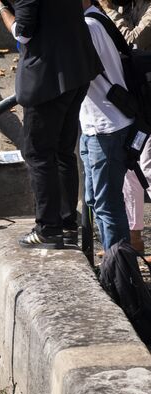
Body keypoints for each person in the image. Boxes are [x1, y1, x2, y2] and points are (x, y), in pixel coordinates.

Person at [0, 0, 103, 249]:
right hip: (75, 71)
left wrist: (1, 9)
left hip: (47, 79)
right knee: (62, 150)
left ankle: (48, 228)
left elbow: (23, 33)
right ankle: (67, 224)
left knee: (38, 153)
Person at [98, 0, 151, 254]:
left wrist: (107, 9)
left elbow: (133, 42)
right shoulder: (126, 6)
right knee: (130, 167)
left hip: (147, 98)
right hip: (134, 98)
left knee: (149, 167)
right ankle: (134, 238)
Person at [79, 0, 134, 251]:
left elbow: (74, 73)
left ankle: (122, 277)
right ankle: (114, 266)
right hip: (96, 125)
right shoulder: (94, 19)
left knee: (108, 205)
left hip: (106, 127)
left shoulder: (89, 25)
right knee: (95, 201)